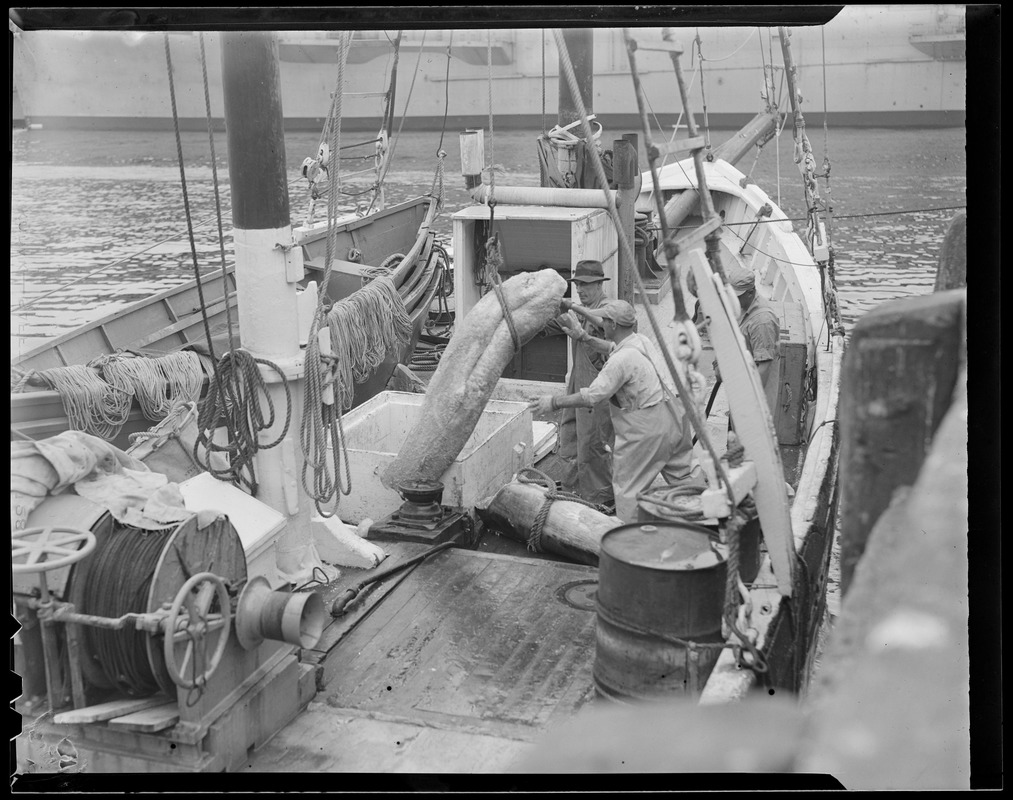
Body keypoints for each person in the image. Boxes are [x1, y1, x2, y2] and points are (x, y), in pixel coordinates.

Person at [529, 300, 704, 524]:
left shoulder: (619, 362)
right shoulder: (641, 341)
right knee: (686, 478)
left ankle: (629, 543)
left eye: (605, 321)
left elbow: (592, 396)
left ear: (612, 324)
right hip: (674, 418)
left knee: (628, 488)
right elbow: (612, 347)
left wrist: (552, 402)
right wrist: (584, 336)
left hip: (646, 431)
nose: (602, 324)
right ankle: (707, 523)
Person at [539, 259, 616, 509]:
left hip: (598, 396)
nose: (580, 290)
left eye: (585, 285)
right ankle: (573, 491)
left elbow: (603, 327)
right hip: (576, 385)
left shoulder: (609, 310)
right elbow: (550, 324)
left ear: (599, 285)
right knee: (570, 437)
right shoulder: (578, 312)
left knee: (594, 444)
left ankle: (601, 500)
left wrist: (573, 313)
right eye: (578, 285)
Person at [726, 264, 781, 415]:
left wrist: (749, 400)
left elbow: (764, 366)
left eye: (737, 296)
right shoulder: (742, 306)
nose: (732, 299)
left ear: (750, 293)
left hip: (756, 398)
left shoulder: (761, 321)